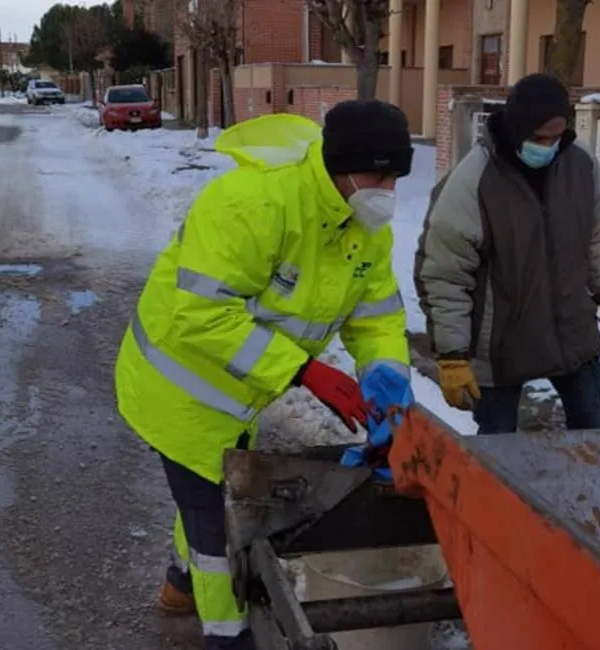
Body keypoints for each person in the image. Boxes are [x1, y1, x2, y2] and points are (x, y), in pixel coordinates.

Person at [114, 100, 413, 649]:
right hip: (176, 390)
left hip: (239, 392)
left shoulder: (366, 229)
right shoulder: (251, 205)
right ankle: (228, 639)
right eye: (378, 174)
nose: (387, 189)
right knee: (214, 533)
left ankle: (178, 589)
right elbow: (201, 316)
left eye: (396, 176)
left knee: (216, 492)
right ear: (339, 165)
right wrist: (303, 370)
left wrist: (386, 374)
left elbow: (377, 317)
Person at [414, 73, 600, 434]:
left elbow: (596, 239)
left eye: (557, 137)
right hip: (500, 344)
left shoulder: (582, 168)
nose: (548, 146)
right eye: (539, 137)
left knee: (594, 434)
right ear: (516, 127)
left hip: (570, 330)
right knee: (498, 456)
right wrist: (452, 356)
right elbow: (445, 275)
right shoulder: (473, 181)